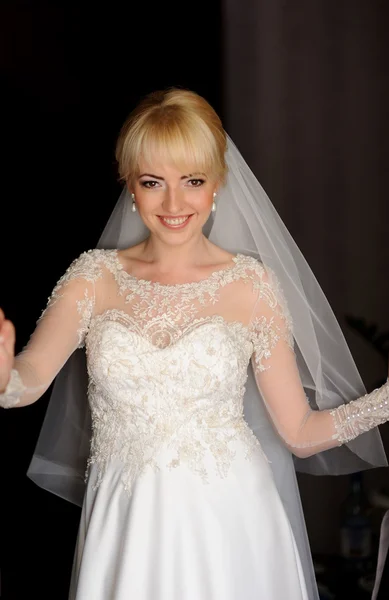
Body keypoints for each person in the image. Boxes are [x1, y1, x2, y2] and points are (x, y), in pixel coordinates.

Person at [0, 88, 388, 600]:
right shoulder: (92, 278)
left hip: (232, 522)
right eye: (153, 182)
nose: (175, 203)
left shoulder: (252, 286)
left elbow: (298, 430)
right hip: (126, 523)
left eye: (193, 181)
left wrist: (386, 402)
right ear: (131, 186)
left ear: (217, 184)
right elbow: (21, 386)